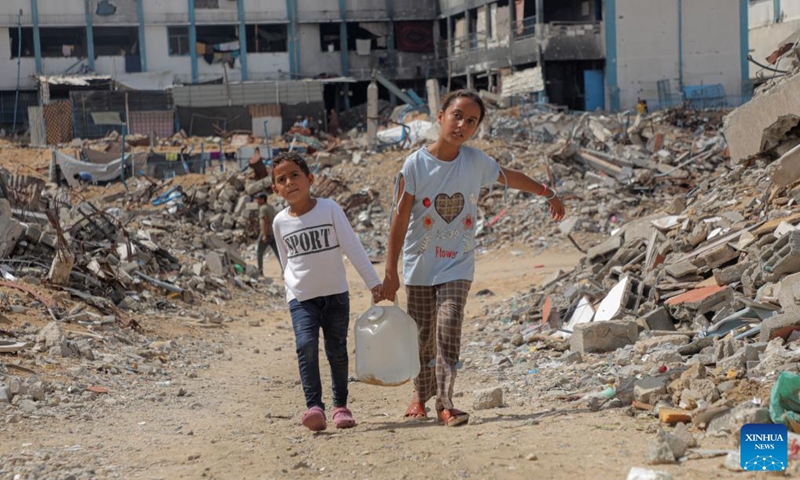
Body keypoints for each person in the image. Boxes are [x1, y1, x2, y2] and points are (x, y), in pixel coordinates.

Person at [382, 89, 566, 427]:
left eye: (472, 121)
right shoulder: (416, 164)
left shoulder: (475, 162)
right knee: (423, 337)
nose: (462, 125)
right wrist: (390, 272)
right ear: (440, 117)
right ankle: (418, 396)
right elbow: (399, 219)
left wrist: (547, 193)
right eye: (457, 116)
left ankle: (446, 401)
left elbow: (510, 176)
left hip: (457, 263)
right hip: (420, 266)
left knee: (449, 324)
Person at [271, 151, 384, 432]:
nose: (289, 182)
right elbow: (286, 263)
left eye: (295, 175)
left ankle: (340, 406)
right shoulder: (279, 222)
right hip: (301, 299)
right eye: (281, 179)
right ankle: (314, 407)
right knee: (305, 345)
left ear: (309, 179)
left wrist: (374, 283)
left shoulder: (330, 209)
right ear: (275, 189)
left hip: (335, 295)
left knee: (337, 350)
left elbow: (353, 247)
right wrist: (291, 290)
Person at [255, 191, 280, 273]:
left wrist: (264, 235)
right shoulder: (271, 207)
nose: (256, 201)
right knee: (278, 253)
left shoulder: (263, 208)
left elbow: (264, 222)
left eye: (258, 199)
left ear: (262, 200)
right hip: (273, 233)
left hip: (266, 233)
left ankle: (260, 271)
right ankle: (285, 271)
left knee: (259, 252)